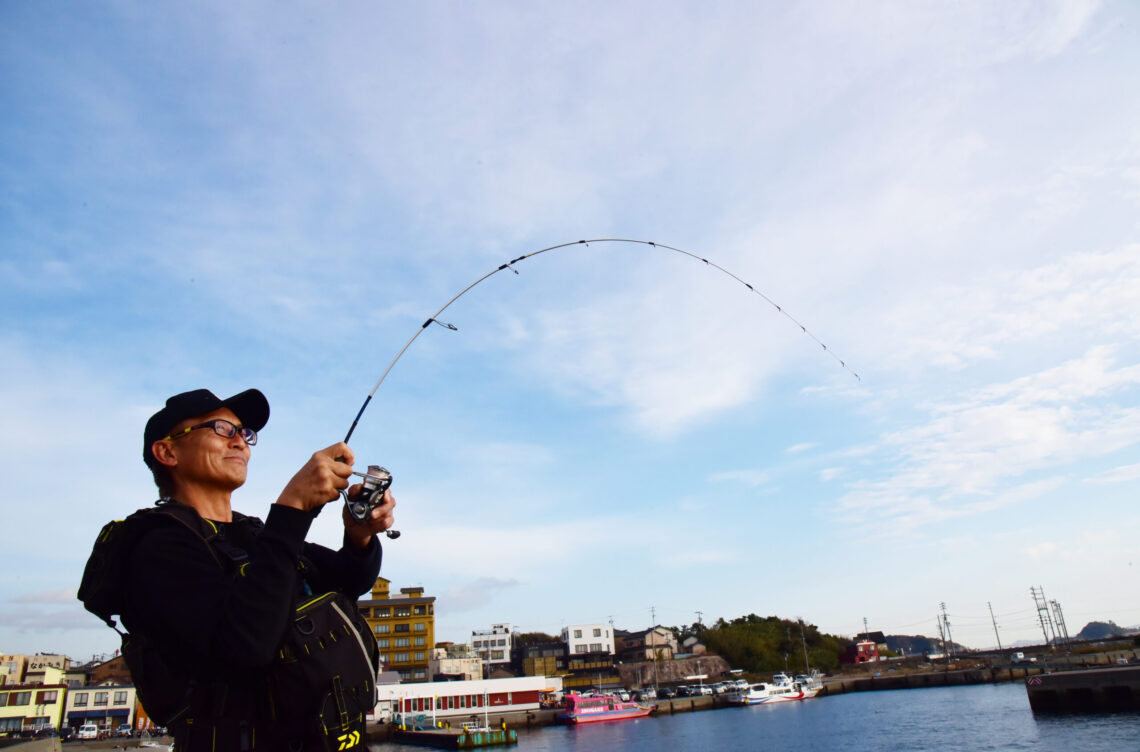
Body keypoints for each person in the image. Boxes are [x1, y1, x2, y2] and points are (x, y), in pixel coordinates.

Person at [125, 388, 395, 751]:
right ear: (167, 451)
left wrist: (359, 536)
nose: (241, 442)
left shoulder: (254, 535)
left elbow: (349, 579)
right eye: (222, 428)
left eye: (245, 433)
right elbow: (246, 646)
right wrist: (294, 507)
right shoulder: (155, 546)